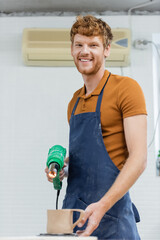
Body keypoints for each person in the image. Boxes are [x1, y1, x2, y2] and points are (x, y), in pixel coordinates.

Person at [45, 15, 147, 239]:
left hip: (113, 217)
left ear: (107, 49)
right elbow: (87, 156)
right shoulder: (74, 102)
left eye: (93, 45)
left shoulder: (126, 88)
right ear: (71, 50)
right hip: (74, 217)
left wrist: (102, 206)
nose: (85, 51)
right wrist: (63, 167)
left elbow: (138, 159)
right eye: (79, 44)